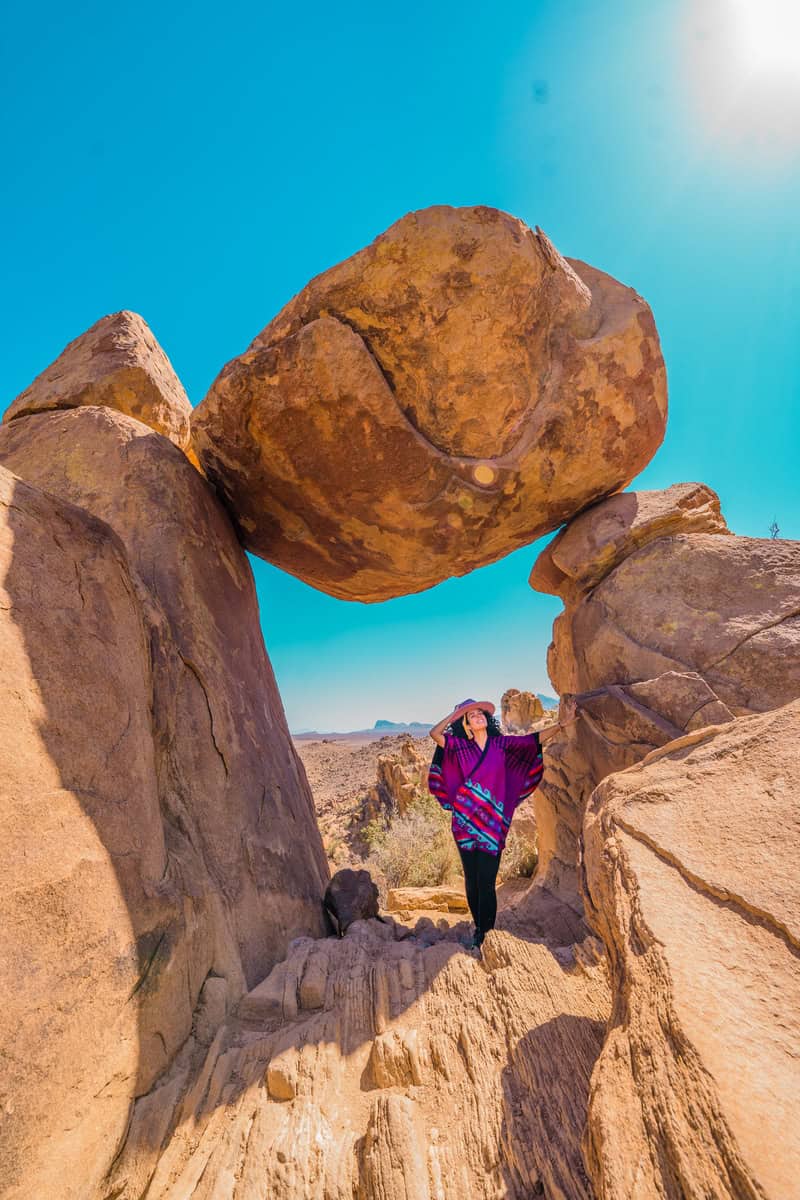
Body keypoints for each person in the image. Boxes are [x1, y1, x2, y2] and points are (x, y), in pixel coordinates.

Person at [428, 696, 580, 950]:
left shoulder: (502, 745)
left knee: (487, 882)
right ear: (465, 725)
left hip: (492, 826)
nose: (477, 716)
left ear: (487, 720)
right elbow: (435, 734)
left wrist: (561, 725)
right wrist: (454, 715)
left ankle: (487, 933)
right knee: (472, 880)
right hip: (464, 824)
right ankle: (479, 929)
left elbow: (534, 740)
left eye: (480, 713)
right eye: (471, 715)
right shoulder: (458, 747)